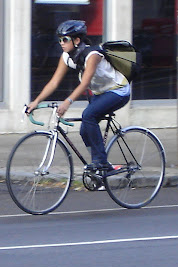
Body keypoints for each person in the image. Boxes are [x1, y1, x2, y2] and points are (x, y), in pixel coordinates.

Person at [27, 20, 130, 171]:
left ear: (77, 40)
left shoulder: (92, 55)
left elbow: (84, 83)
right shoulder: (67, 56)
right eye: (60, 39)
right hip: (101, 93)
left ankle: (101, 162)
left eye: (65, 39)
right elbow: (54, 82)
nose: (61, 43)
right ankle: (98, 163)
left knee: (89, 115)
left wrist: (67, 102)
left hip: (118, 91)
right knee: (85, 129)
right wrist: (35, 102)